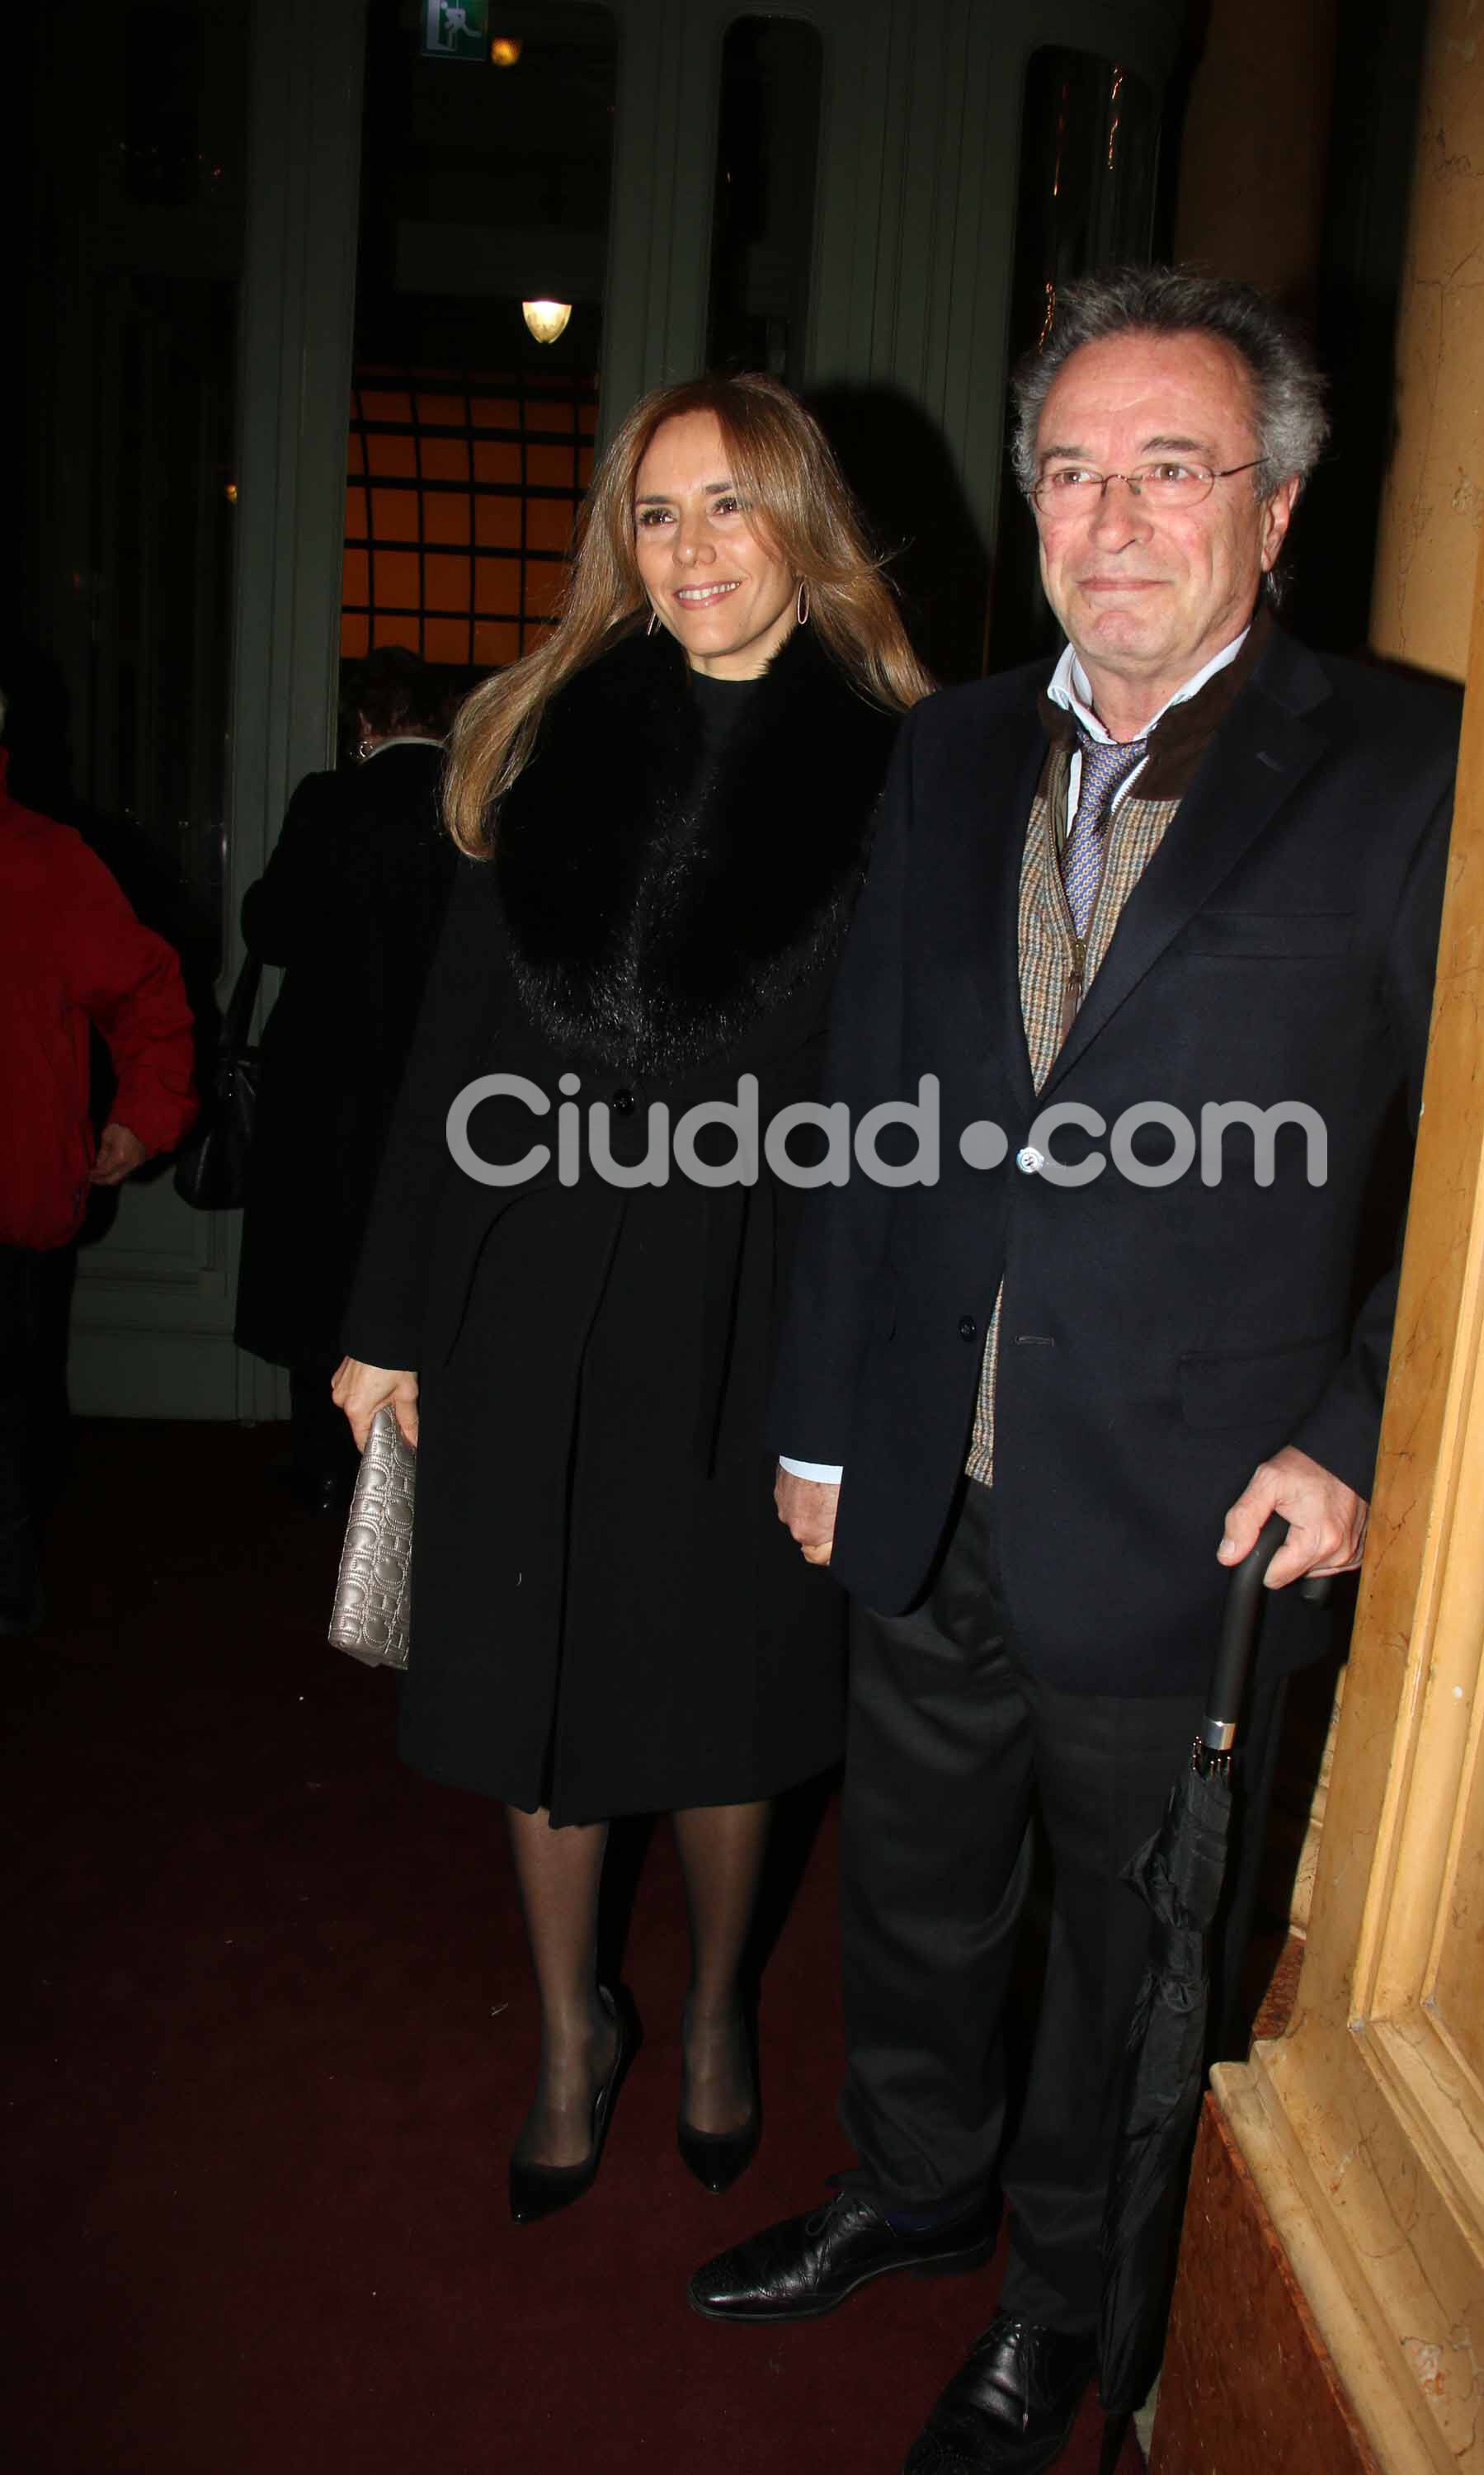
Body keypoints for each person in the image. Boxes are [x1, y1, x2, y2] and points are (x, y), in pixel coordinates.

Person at [691, 270, 1461, 2475]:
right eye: (1069, 470)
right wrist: (831, 1427)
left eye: (1173, 469)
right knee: (921, 1898)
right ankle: (913, 2188)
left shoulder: (1411, 768)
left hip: (1196, 1512)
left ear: (1278, 508)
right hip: (931, 1472)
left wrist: (1355, 1427)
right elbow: (869, 1113)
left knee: (1129, 1958)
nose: (1112, 517)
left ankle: (1056, 2299)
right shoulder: (944, 755)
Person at [333, 374, 931, 2219]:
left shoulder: (906, 764)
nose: (690, 550)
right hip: (528, 1286)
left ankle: (717, 2012)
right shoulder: (538, 734)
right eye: (657, 513)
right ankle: (566, 2032)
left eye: (731, 506)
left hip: (755, 1293)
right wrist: (389, 1312)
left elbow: (908, 1092)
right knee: (540, 1677)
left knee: (730, 1690)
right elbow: (450, 1052)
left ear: (804, 528)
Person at [234, 648, 455, 1510]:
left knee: (317, 1270)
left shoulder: (329, 802)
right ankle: (421, 1468)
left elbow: (273, 928)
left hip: (322, 1085)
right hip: (439, 1089)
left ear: (364, 725)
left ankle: (326, 1465)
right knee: (419, 1264)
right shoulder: (475, 806)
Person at [0, 690, 196, 1633]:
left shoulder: (45, 861)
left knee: (12, 1416)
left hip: (14, 1195)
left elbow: (147, 990)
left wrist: (141, 1114)